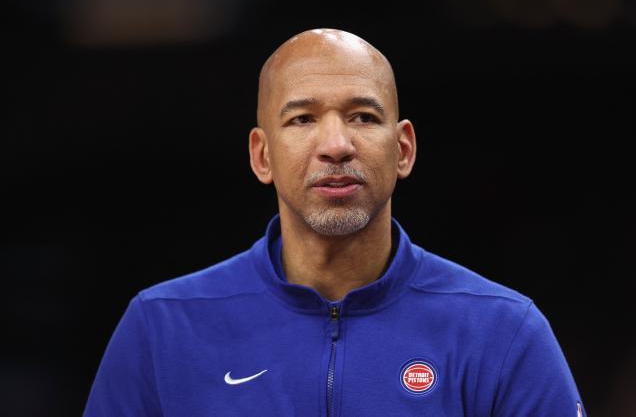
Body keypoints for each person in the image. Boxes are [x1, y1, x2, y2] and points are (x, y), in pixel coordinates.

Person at [84, 28, 585, 416]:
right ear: (262, 155)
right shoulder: (161, 328)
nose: (336, 145)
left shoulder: (503, 332)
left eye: (363, 116)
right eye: (302, 119)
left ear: (403, 149)